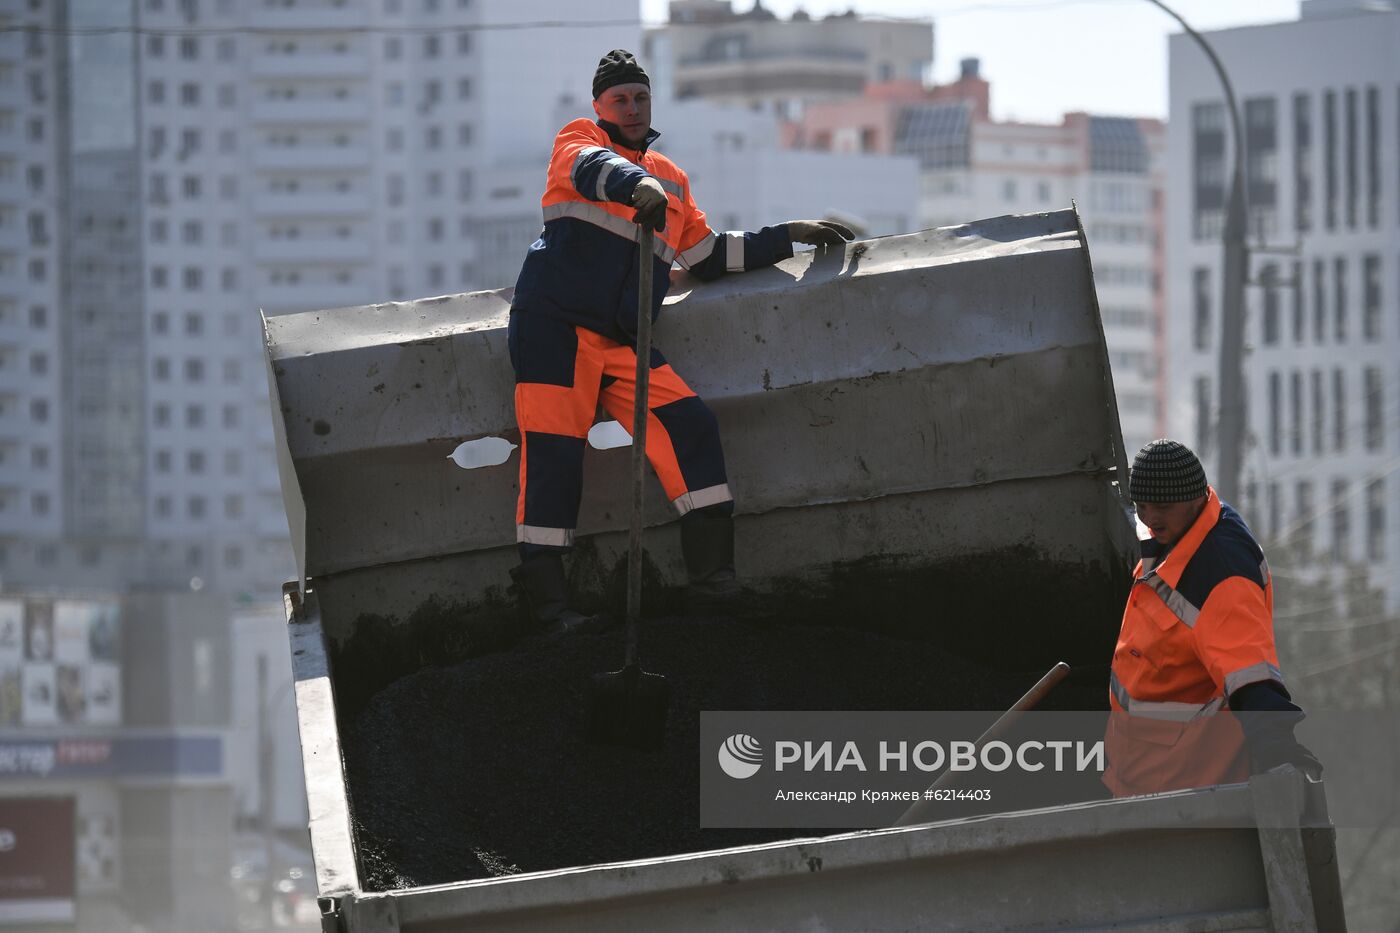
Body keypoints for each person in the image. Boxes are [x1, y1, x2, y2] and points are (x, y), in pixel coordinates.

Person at [507, 50, 853, 635]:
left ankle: (713, 584)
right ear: (599, 106)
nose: (633, 108)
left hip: (623, 339)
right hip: (554, 329)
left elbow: (708, 256)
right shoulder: (578, 140)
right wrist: (635, 184)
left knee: (691, 426)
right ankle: (550, 611)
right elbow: (593, 168)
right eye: (621, 99)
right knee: (554, 457)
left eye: (641, 97)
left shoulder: (672, 179)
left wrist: (788, 236)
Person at [1103, 439, 1321, 797]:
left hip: (1185, 792)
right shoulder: (1181, 531)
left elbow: (1251, 679)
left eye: (1162, 506)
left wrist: (1279, 753)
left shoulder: (1220, 574)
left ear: (1194, 498)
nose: (1150, 518)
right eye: (1141, 506)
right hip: (1141, 777)